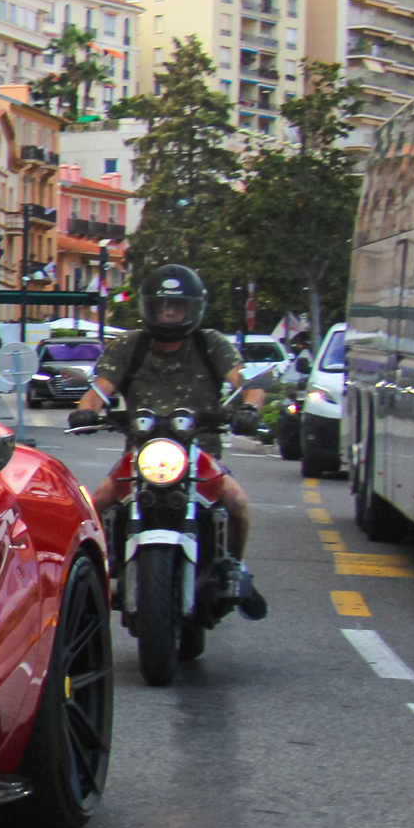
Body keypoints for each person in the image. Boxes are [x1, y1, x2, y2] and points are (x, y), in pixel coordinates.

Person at [69, 263, 268, 619]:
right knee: (94, 504)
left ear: (192, 309)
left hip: (198, 453)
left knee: (237, 502)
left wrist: (250, 408)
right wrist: (86, 411)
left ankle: (234, 569)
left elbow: (247, 382)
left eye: (177, 306)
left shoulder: (211, 345)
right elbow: (98, 390)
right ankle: (90, 575)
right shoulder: (130, 346)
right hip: (142, 453)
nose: (170, 313)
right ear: (150, 308)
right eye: (163, 306)